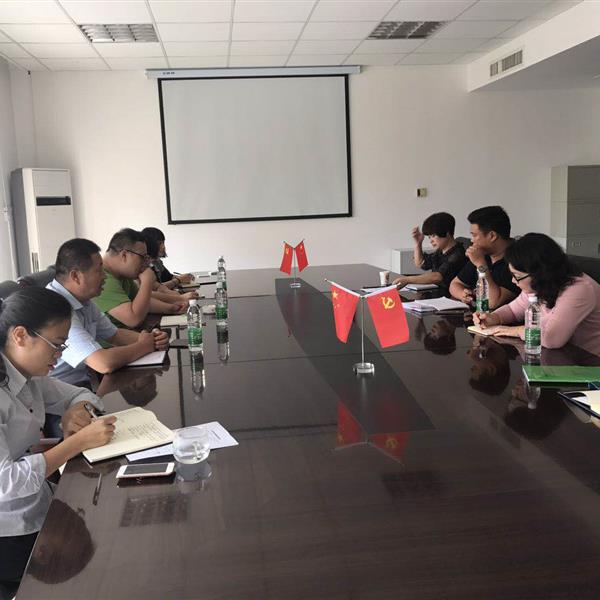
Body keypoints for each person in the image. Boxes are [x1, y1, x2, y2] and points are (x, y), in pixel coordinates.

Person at [0, 288, 115, 585]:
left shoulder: (26, 375)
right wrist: (77, 442)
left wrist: (76, 411)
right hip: (10, 532)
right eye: (56, 344)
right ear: (20, 335)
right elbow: (6, 483)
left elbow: (83, 395)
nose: (61, 354)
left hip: (39, 501)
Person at [46, 238, 170, 386]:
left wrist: (153, 339)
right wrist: (144, 345)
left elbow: (115, 335)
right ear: (75, 276)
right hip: (61, 391)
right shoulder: (56, 308)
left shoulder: (84, 300)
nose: (104, 276)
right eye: (99, 270)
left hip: (84, 383)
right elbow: (103, 363)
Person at [474, 233, 600, 356]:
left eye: (517, 276)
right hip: (557, 356)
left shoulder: (579, 289)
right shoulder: (541, 285)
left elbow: (551, 338)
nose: (513, 281)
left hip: (586, 362)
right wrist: (494, 317)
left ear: (539, 273)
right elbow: (513, 310)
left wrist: (516, 330)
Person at [94, 228, 186, 329]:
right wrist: (147, 282)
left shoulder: (123, 274)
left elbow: (143, 302)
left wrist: (171, 308)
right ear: (124, 255)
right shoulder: (103, 279)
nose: (147, 263)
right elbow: (133, 320)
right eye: (143, 257)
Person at [449, 206, 519, 309]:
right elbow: (454, 284)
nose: (472, 240)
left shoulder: (517, 259)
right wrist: (462, 295)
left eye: (474, 235)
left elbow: (492, 303)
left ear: (492, 236)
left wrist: (481, 265)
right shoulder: (483, 254)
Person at [393, 212, 466, 290]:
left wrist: (407, 280)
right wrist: (418, 243)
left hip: (449, 294)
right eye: (429, 237)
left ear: (447, 233)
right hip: (437, 291)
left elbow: (438, 276)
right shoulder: (440, 251)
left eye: (433, 236)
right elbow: (420, 263)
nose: (431, 241)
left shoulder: (458, 254)